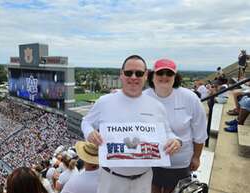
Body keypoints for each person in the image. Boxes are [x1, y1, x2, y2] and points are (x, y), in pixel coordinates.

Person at [81, 55, 182, 193]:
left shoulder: (156, 106)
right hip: (111, 180)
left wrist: (176, 141)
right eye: (129, 73)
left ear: (146, 75)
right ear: (121, 74)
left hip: (144, 180)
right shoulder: (104, 101)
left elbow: (166, 132)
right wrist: (90, 133)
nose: (133, 77)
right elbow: (86, 121)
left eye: (139, 73)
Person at [144, 59, 208, 193]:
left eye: (169, 73)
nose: (164, 76)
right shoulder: (143, 97)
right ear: (152, 76)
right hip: (151, 160)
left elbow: (200, 132)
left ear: (175, 77)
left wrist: (196, 157)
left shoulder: (190, 98)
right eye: (160, 73)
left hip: (179, 163)